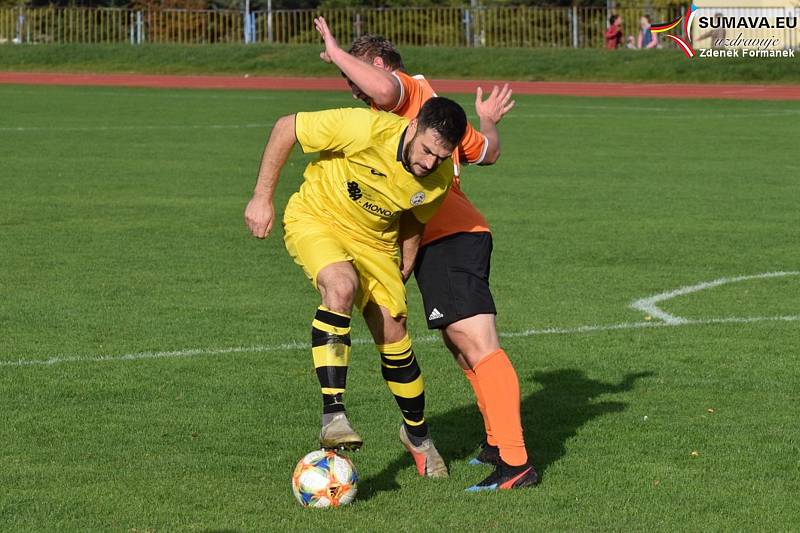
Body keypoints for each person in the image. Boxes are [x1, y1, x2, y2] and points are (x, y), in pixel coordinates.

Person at [313, 16, 539, 491]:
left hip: (449, 237)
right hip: (450, 238)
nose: (354, 91)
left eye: (354, 78)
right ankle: (498, 445)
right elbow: (488, 153)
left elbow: (385, 85)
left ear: (376, 66)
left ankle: (515, 464)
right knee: (462, 348)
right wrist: (490, 125)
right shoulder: (442, 119)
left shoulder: (411, 93)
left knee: (478, 342)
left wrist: (336, 53)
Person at [244, 97, 467, 479]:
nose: (430, 162)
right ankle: (334, 414)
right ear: (412, 127)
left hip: (377, 245)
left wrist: (408, 255)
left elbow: (415, 216)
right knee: (341, 286)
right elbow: (286, 127)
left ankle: (418, 436)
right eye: (428, 150)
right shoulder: (363, 129)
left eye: (441, 156)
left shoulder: (438, 178)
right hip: (318, 219)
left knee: (394, 333)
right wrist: (262, 198)